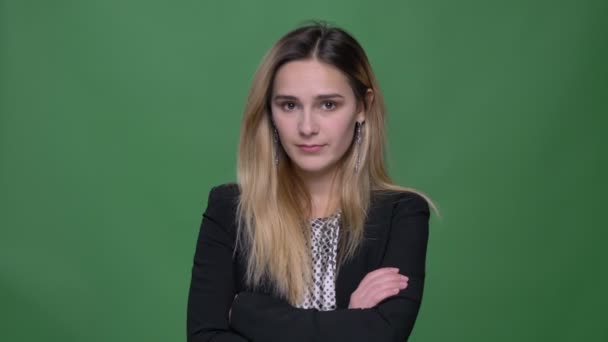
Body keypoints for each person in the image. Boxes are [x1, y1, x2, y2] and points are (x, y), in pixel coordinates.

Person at [187, 21, 437, 342]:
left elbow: (383, 335)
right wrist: (350, 320)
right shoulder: (230, 210)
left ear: (363, 106)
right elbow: (205, 338)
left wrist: (248, 313)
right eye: (289, 105)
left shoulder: (402, 214)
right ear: (270, 112)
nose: (307, 127)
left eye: (328, 105)